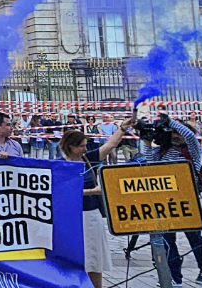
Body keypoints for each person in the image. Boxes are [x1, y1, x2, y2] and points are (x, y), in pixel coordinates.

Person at [60, 118, 133, 288]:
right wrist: (93, 191)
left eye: (86, 145)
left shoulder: (88, 159)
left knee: (94, 259)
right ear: (70, 146)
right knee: (73, 259)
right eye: (81, 146)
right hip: (71, 217)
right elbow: (62, 192)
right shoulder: (60, 165)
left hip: (91, 215)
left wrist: (122, 128)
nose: (85, 149)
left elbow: (109, 146)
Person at [142, 114, 202, 286]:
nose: (175, 136)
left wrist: (170, 121)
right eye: (172, 132)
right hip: (165, 201)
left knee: (194, 236)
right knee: (168, 238)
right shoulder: (163, 151)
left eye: (178, 133)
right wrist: (147, 141)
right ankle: (174, 276)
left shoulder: (192, 151)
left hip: (187, 200)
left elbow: (189, 136)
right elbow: (150, 166)